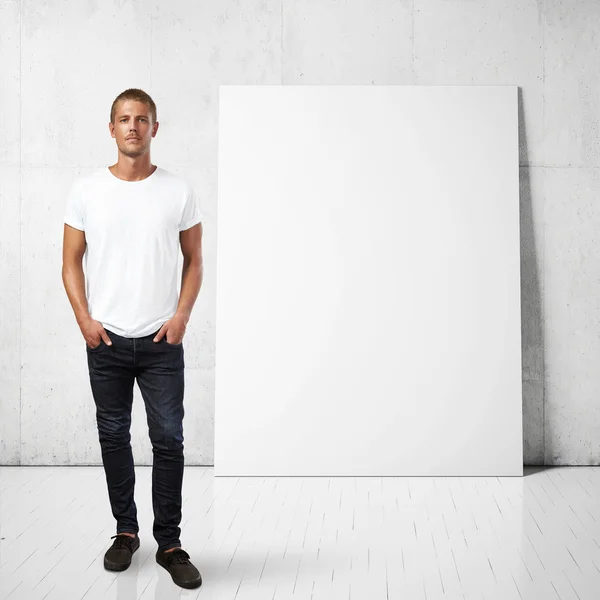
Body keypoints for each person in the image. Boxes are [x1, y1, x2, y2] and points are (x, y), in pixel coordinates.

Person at [61, 88, 204, 590]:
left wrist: (182, 315)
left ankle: (170, 542)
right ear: (111, 128)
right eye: (124, 119)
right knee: (113, 437)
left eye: (142, 120)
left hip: (163, 340)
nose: (133, 127)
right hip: (107, 341)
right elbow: (70, 261)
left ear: (155, 129)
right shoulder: (86, 191)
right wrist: (85, 319)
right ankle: (126, 532)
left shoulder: (178, 191)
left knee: (169, 440)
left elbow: (195, 261)